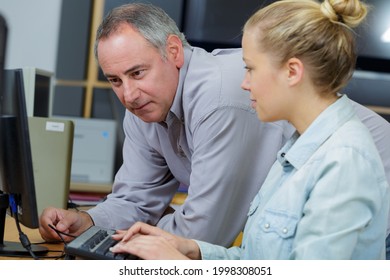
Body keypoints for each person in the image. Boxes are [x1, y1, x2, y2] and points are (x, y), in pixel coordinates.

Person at [39, 2, 390, 257]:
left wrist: (149, 249)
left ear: (174, 51)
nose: (127, 94)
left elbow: (210, 229)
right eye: (115, 80)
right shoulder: (146, 104)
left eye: (137, 73)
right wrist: (88, 223)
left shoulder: (226, 98)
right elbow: (256, 260)